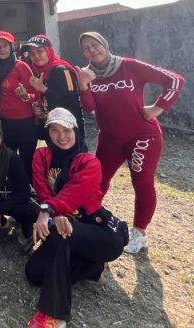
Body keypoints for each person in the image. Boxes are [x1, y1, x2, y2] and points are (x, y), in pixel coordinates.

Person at [78, 32, 184, 254]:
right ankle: (90, 216)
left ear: (104, 45)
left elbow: (174, 80)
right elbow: (88, 108)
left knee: (142, 184)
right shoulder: (87, 74)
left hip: (142, 137)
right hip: (109, 138)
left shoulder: (129, 66)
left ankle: (139, 234)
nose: (91, 50)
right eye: (86, 48)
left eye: (94, 44)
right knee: (97, 180)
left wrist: (157, 107)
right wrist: (83, 84)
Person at [25, 108, 127, 328]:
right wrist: (56, 212)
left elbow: (73, 193)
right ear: (47, 133)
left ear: (76, 130)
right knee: (33, 273)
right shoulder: (41, 156)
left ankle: (54, 314)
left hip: (100, 231)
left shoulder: (89, 162)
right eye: (54, 130)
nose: (61, 136)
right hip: (68, 225)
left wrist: (48, 212)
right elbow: (42, 189)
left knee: (61, 232)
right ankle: (91, 267)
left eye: (67, 129)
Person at [0, 31, 38, 181]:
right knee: (9, 159)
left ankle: (30, 193)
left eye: (5, 45)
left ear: (12, 47)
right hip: (5, 122)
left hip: (25, 123)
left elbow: (36, 96)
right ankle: (15, 190)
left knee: (26, 160)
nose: (2, 49)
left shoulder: (21, 66)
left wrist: (25, 96)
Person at [23, 34, 86, 150]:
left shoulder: (61, 70)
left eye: (40, 51)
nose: (36, 56)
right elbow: (49, 100)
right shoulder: (43, 72)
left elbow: (71, 102)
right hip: (54, 130)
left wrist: (43, 89)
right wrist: (39, 107)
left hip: (69, 132)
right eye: (32, 53)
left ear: (49, 51)